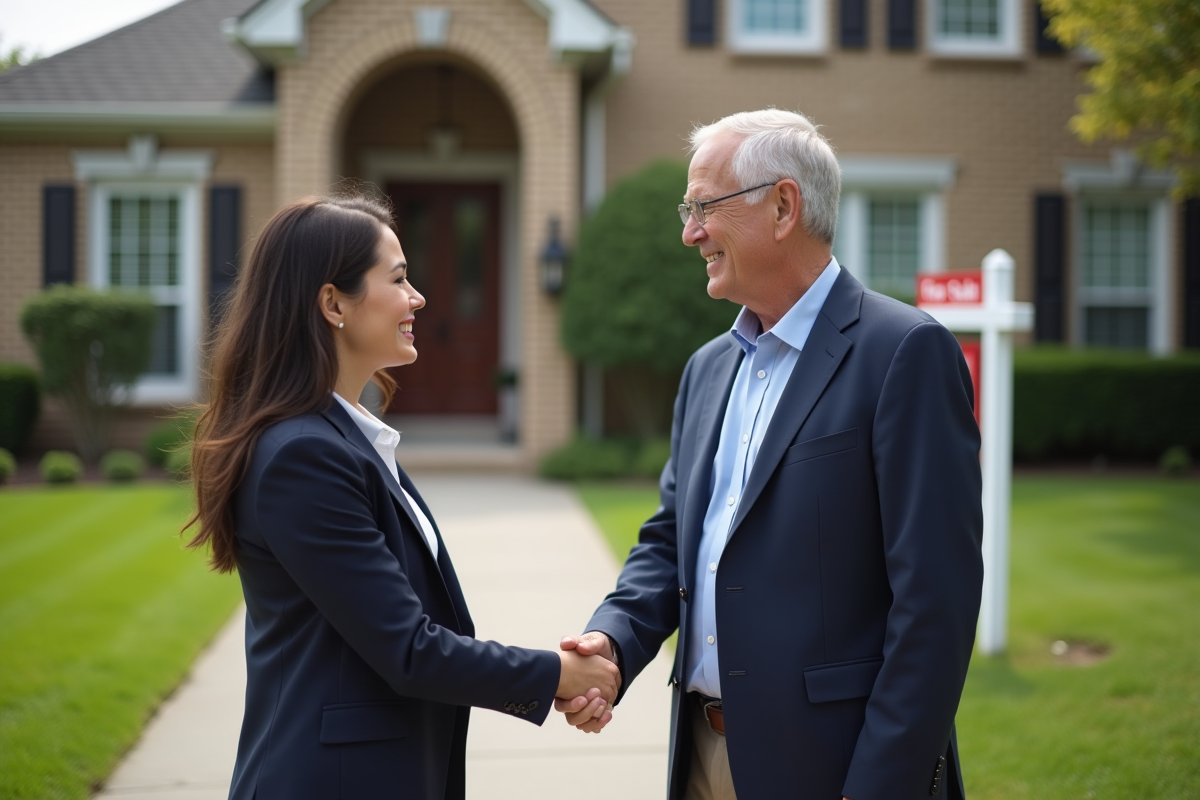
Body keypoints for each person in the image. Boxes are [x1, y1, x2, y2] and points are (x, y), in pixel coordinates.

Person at [557, 109, 984, 800]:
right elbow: (671, 541)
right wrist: (612, 642)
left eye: (704, 208)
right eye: (687, 211)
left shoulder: (903, 353)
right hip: (700, 757)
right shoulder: (706, 369)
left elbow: (936, 606)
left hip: (836, 768)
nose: (690, 232)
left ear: (783, 206)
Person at [183, 194, 619, 800]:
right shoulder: (303, 457)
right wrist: (559, 675)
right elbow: (407, 648)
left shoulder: (345, 437)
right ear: (333, 303)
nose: (417, 298)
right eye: (399, 279)